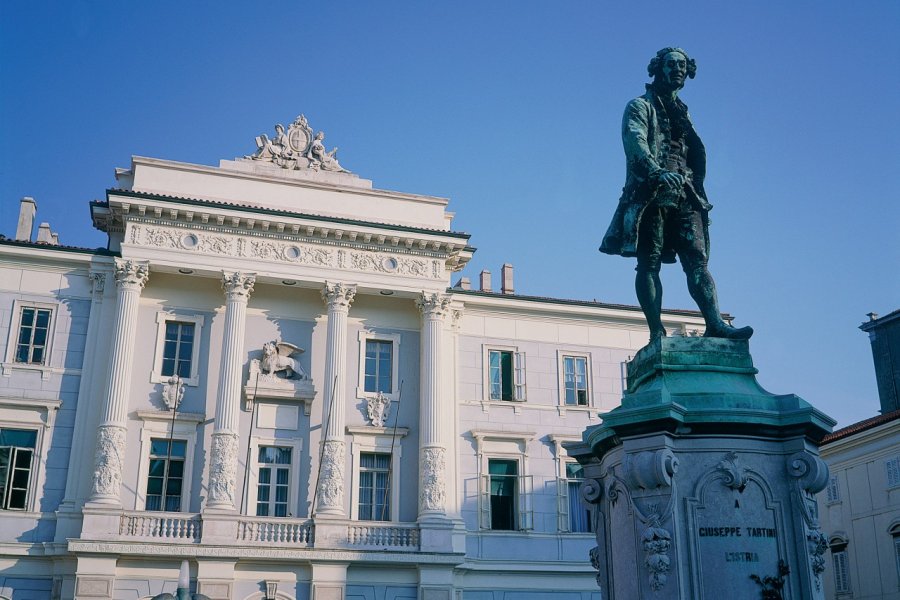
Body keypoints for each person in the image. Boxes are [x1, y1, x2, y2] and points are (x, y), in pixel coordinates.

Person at [600, 47, 752, 341]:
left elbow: (691, 151)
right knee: (649, 261)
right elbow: (635, 142)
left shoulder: (683, 111)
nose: (678, 69)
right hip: (651, 193)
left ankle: (715, 323)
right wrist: (656, 172)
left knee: (698, 260)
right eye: (671, 64)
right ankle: (656, 331)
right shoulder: (639, 106)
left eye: (683, 65)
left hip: (686, 191)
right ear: (658, 68)